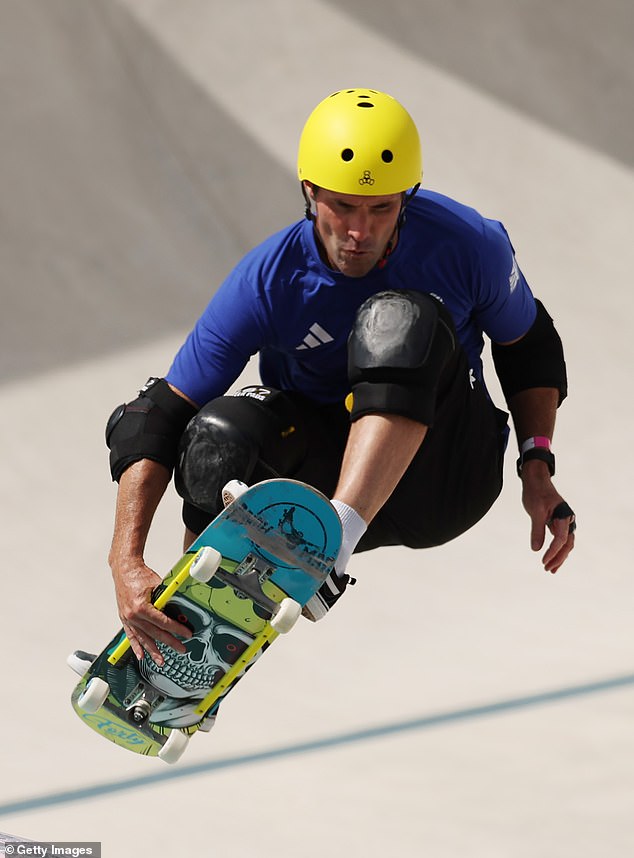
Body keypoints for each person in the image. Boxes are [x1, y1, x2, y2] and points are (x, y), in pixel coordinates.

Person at [105, 88, 575, 669]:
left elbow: (529, 349)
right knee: (218, 433)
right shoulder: (267, 280)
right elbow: (153, 419)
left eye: (382, 209)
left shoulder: (467, 243)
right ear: (310, 192)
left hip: (446, 473)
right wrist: (125, 562)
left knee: (398, 316)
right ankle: (188, 640)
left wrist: (538, 465)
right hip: (327, 466)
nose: (360, 231)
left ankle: (335, 543)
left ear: (408, 198)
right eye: (343, 207)